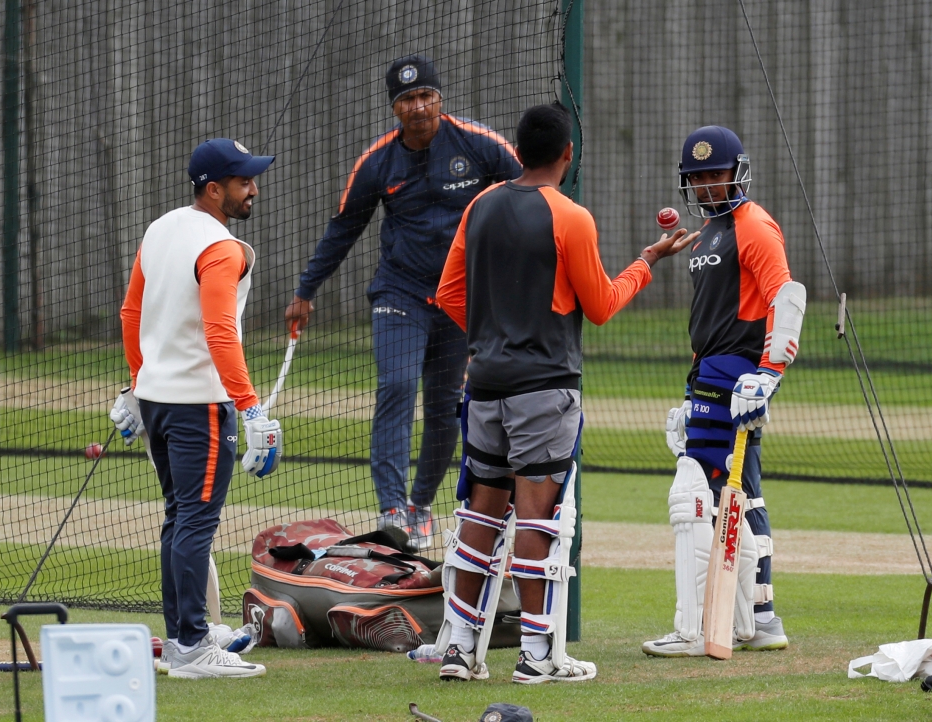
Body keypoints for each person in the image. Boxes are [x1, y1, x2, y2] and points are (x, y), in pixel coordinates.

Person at [435, 103, 696, 683]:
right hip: (545, 388)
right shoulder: (571, 217)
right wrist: (648, 261)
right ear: (567, 154)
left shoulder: (479, 205)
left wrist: (489, 340)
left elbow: (450, 293)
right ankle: (535, 656)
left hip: (485, 385)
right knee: (537, 521)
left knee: (481, 509)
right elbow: (601, 306)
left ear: (518, 151)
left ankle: (457, 647)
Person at [285, 54, 522, 551]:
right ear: (394, 109)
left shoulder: (481, 147)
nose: (417, 107)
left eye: (425, 97)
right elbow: (343, 228)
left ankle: (419, 507)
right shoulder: (377, 162)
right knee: (396, 386)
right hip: (400, 294)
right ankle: (391, 508)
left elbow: (531, 192)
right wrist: (306, 291)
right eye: (406, 100)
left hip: (461, 301)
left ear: (439, 98)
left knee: (444, 410)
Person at [111, 138, 283, 678]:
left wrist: (137, 384)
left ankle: (187, 630)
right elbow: (219, 330)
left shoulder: (161, 227)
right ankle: (190, 647)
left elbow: (130, 311)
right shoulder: (221, 247)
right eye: (243, 181)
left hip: (158, 401)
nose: (253, 188)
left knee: (178, 520)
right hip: (198, 406)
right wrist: (251, 408)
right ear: (215, 190)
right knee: (194, 525)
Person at [643, 125, 805, 657]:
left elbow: (786, 296)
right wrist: (692, 393)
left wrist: (769, 372)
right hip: (709, 373)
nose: (709, 185)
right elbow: (710, 316)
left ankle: (696, 628)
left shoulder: (753, 226)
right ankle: (758, 616)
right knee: (740, 491)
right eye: (699, 177)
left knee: (697, 491)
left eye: (717, 174)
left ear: (737, 173)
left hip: (740, 372)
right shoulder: (709, 231)